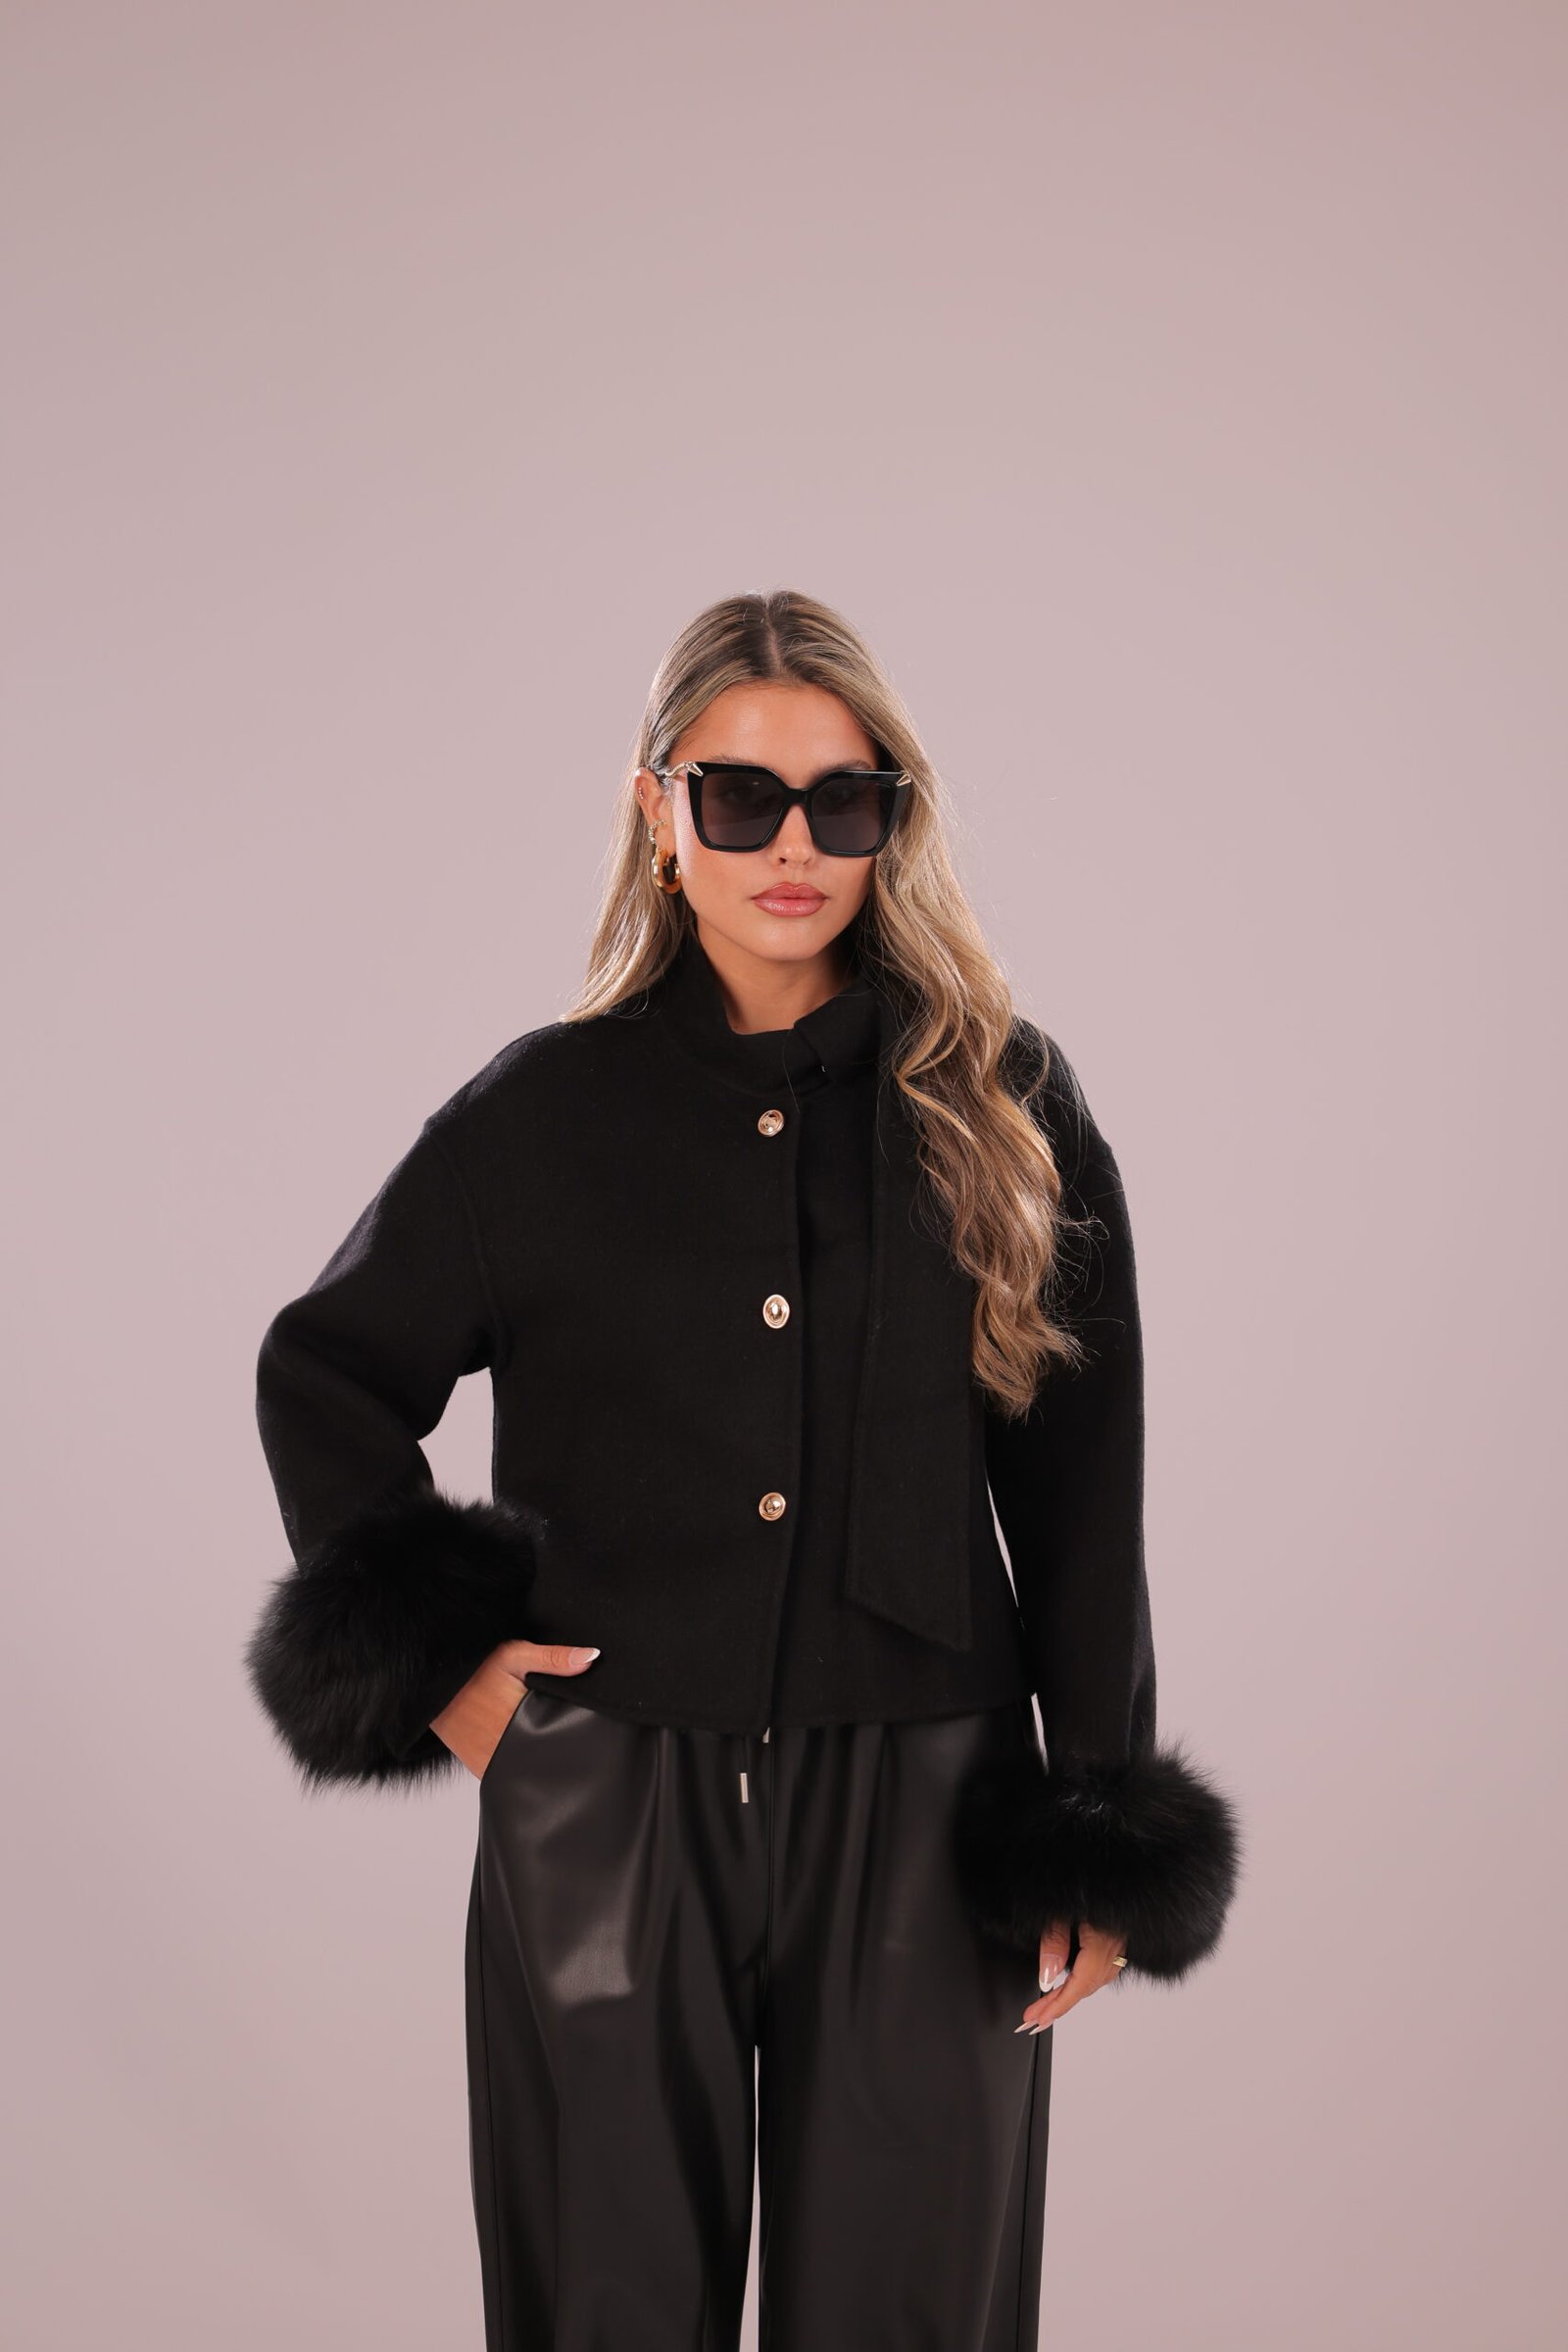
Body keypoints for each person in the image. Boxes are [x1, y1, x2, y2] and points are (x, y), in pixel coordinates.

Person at [244, 588, 1241, 2351]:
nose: (794, 845)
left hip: (932, 1802)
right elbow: (325, 1369)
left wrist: (1093, 1817)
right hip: (606, 1791)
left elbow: (1083, 1483)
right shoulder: (538, 1117)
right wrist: (442, 1670)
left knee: (912, 2311)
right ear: (659, 810)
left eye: (841, 802)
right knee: (606, 2300)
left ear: (889, 821)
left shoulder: (1005, 1106)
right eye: (741, 797)